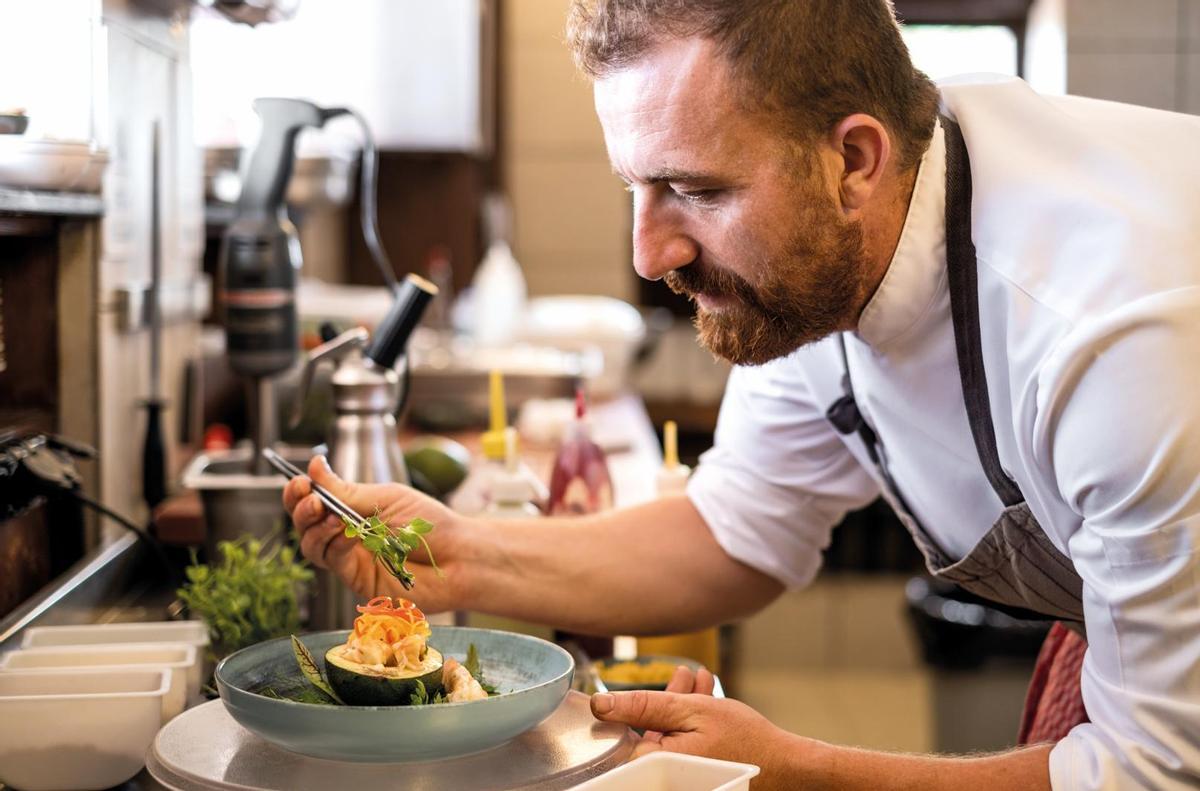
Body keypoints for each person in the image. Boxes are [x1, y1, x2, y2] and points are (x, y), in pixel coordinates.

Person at [283, 1, 1200, 787]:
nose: (651, 254)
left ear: (853, 161)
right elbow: (736, 527)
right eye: (638, 186)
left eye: (695, 190)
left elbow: (1151, 771)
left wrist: (789, 766)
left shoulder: (1111, 338)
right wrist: (465, 555)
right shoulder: (816, 266)